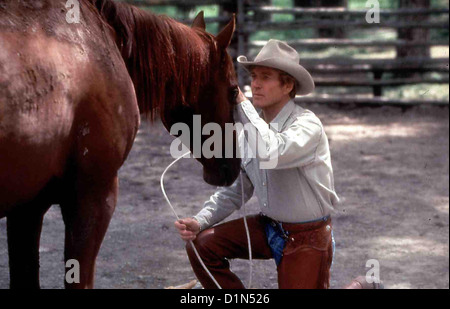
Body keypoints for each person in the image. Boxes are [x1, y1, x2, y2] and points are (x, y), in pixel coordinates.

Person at [174, 39, 339, 289]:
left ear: (288, 85)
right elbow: (237, 189)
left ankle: (360, 286)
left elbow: (272, 150)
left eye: (266, 77)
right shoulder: (250, 132)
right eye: (253, 76)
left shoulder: (307, 125)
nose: (255, 84)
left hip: (307, 237)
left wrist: (242, 104)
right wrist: (200, 220)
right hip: (268, 226)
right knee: (202, 245)